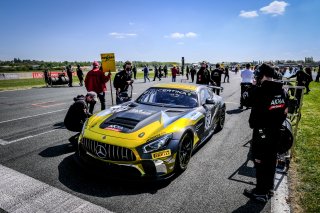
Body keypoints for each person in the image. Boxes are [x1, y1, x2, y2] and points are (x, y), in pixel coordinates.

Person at [244, 63, 288, 203]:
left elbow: (245, 100)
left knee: (260, 161)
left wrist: (253, 86)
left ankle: (260, 192)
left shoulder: (259, 90)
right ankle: (269, 188)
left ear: (262, 76)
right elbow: (286, 111)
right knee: (271, 159)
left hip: (262, 132)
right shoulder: (283, 90)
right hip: (276, 131)